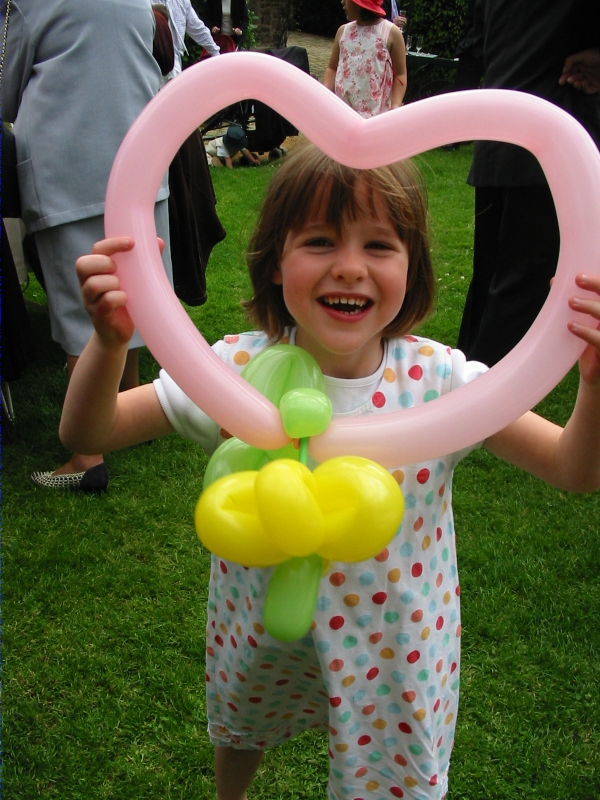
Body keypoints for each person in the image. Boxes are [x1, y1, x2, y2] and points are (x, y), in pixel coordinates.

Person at [60, 142, 600, 800]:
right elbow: (90, 432)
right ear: (274, 261)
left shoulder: (443, 385)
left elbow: (575, 469)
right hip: (258, 626)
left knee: (386, 776)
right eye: (319, 240)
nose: (349, 269)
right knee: (243, 724)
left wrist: (595, 387)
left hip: (389, 651)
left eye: (379, 246)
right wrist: (110, 343)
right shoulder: (235, 374)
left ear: (414, 266)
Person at [4, 0, 173, 493]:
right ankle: (132, 398)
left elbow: (4, 91)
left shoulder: (30, 3)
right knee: (134, 288)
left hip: (67, 165)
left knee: (85, 310)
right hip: (139, 156)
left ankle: (87, 456)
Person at [457, 0, 600, 367]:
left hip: (500, 131)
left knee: (493, 283)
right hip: (555, 136)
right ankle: (478, 408)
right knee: (519, 290)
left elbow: (473, 41)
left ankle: (462, 387)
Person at [324, 0, 407, 117]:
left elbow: (400, 75)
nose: (342, 2)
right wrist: (325, 93)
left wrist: (395, 106)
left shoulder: (390, 32)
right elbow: (332, 68)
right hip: (342, 112)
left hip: (377, 115)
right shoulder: (343, 32)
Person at [163, 0, 220, 77]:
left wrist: (215, 53)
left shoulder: (183, 2)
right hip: (151, 57)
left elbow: (197, 28)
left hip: (173, 60)